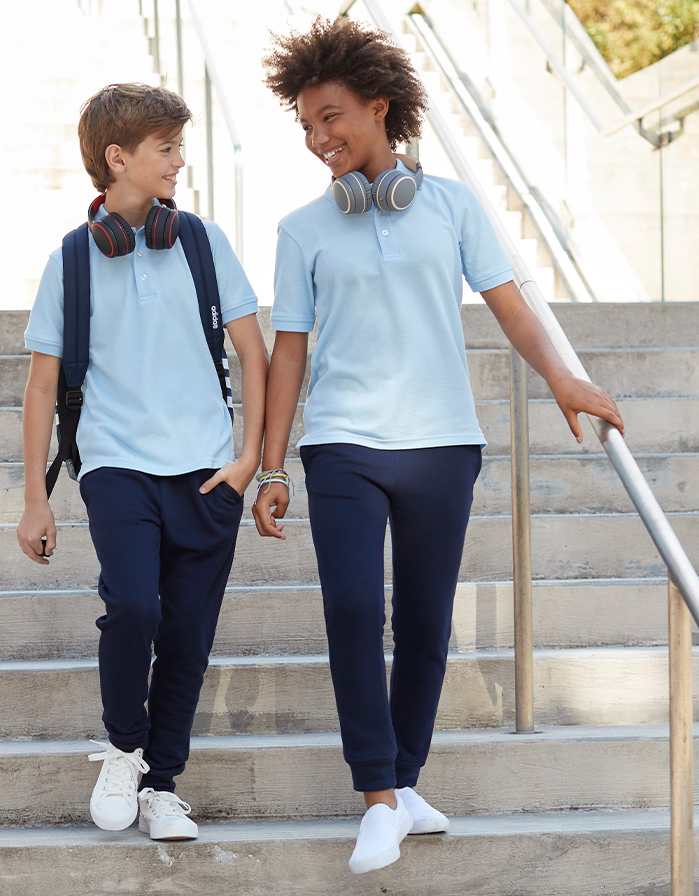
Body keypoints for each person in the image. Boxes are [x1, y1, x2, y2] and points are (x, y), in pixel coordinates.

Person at [255, 17, 624, 876]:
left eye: (332, 118)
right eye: (306, 125)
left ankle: (407, 780)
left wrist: (563, 380)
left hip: (444, 444)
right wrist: (273, 465)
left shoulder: (454, 205)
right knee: (353, 610)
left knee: (426, 623)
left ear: (381, 107)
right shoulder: (302, 229)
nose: (318, 140)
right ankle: (378, 796)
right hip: (343, 444)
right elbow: (289, 355)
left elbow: (509, 307)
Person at [17, 82, 268, 840]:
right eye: (167, 149)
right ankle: (124, 746)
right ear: (118, 158)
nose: (179, 162)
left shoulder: (203, 241)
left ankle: (162, 783)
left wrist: (251, 456)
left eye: (181, 147)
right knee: (134, 608)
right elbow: (39, 387)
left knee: (188, 634)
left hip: (205, 472)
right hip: (117, 467)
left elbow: (253, 355)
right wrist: (36, 497)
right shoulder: (70, 262)